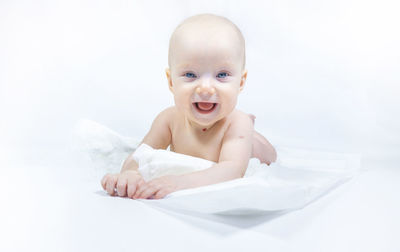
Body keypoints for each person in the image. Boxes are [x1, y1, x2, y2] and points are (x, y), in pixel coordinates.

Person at [101, 14, 277, 200]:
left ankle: (251, 134)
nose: (206, 88)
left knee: (258, 144)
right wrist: (131, 175)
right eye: (191, 74)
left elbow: (232, 170)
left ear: (241, 82)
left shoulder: (236, 123)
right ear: (171, 81)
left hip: (247, 146)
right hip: (232, 135)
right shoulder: (168, 119)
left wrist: (177, 183)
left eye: (222, 75)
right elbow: (140, 155)